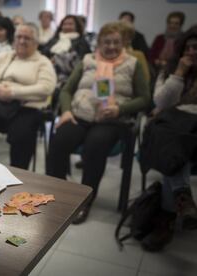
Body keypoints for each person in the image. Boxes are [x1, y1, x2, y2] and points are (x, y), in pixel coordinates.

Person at [46, 22, 150, 224]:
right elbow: (67, 90)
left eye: (116, 42)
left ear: (123, 42)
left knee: (95, 145)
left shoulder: (132, 63)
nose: (111, 46)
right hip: (80, 115)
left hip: (112, 120)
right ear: (99, 42)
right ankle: (61, 193)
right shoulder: (87, 60)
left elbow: (145, 98)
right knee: (59, 142)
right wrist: (66, 111)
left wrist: (120, 109)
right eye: (107, 42)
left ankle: (84, 201)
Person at [0, 23, 56, 169]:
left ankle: (18, 176)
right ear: (13, 40)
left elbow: (46, 88)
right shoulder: (3, 57)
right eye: (19, 37)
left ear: (36, 43)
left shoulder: (43, 62)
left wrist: (13, 93)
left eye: (27, 38)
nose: (21, 41)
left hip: (24, 108)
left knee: (22, 136)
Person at [139, 26, 197, 251]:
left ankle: (168, 218)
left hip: (193, 134)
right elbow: (161, 103)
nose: (192, 52)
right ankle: (181, 199)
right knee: (169, 140)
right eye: (189, 47)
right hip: (171, 130)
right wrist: (179, 75)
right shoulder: (171, 70)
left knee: (172, 145)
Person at [41, 15, 91, 89]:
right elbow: (44, 53)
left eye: (70, 24)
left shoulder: (81, 41)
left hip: (69, 75)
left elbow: (81, 60)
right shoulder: (55, 39)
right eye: (65, 24)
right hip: (49, 69)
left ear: (76, 26)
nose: (67, 26)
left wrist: (58, 60)